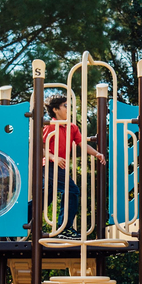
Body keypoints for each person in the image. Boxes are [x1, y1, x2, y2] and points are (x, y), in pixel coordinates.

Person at [42, 94, 105, 236]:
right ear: (55, 109)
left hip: (59, 166)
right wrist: (53, 157)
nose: (68, 108)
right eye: (65, 105)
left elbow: (83, 145)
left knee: (44, 198)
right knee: (72, 191)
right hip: (49, 166)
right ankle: (64, 228)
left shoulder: (72, 127)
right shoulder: (50, 126)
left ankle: (17, 223)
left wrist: (97, 154)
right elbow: (39, 147)